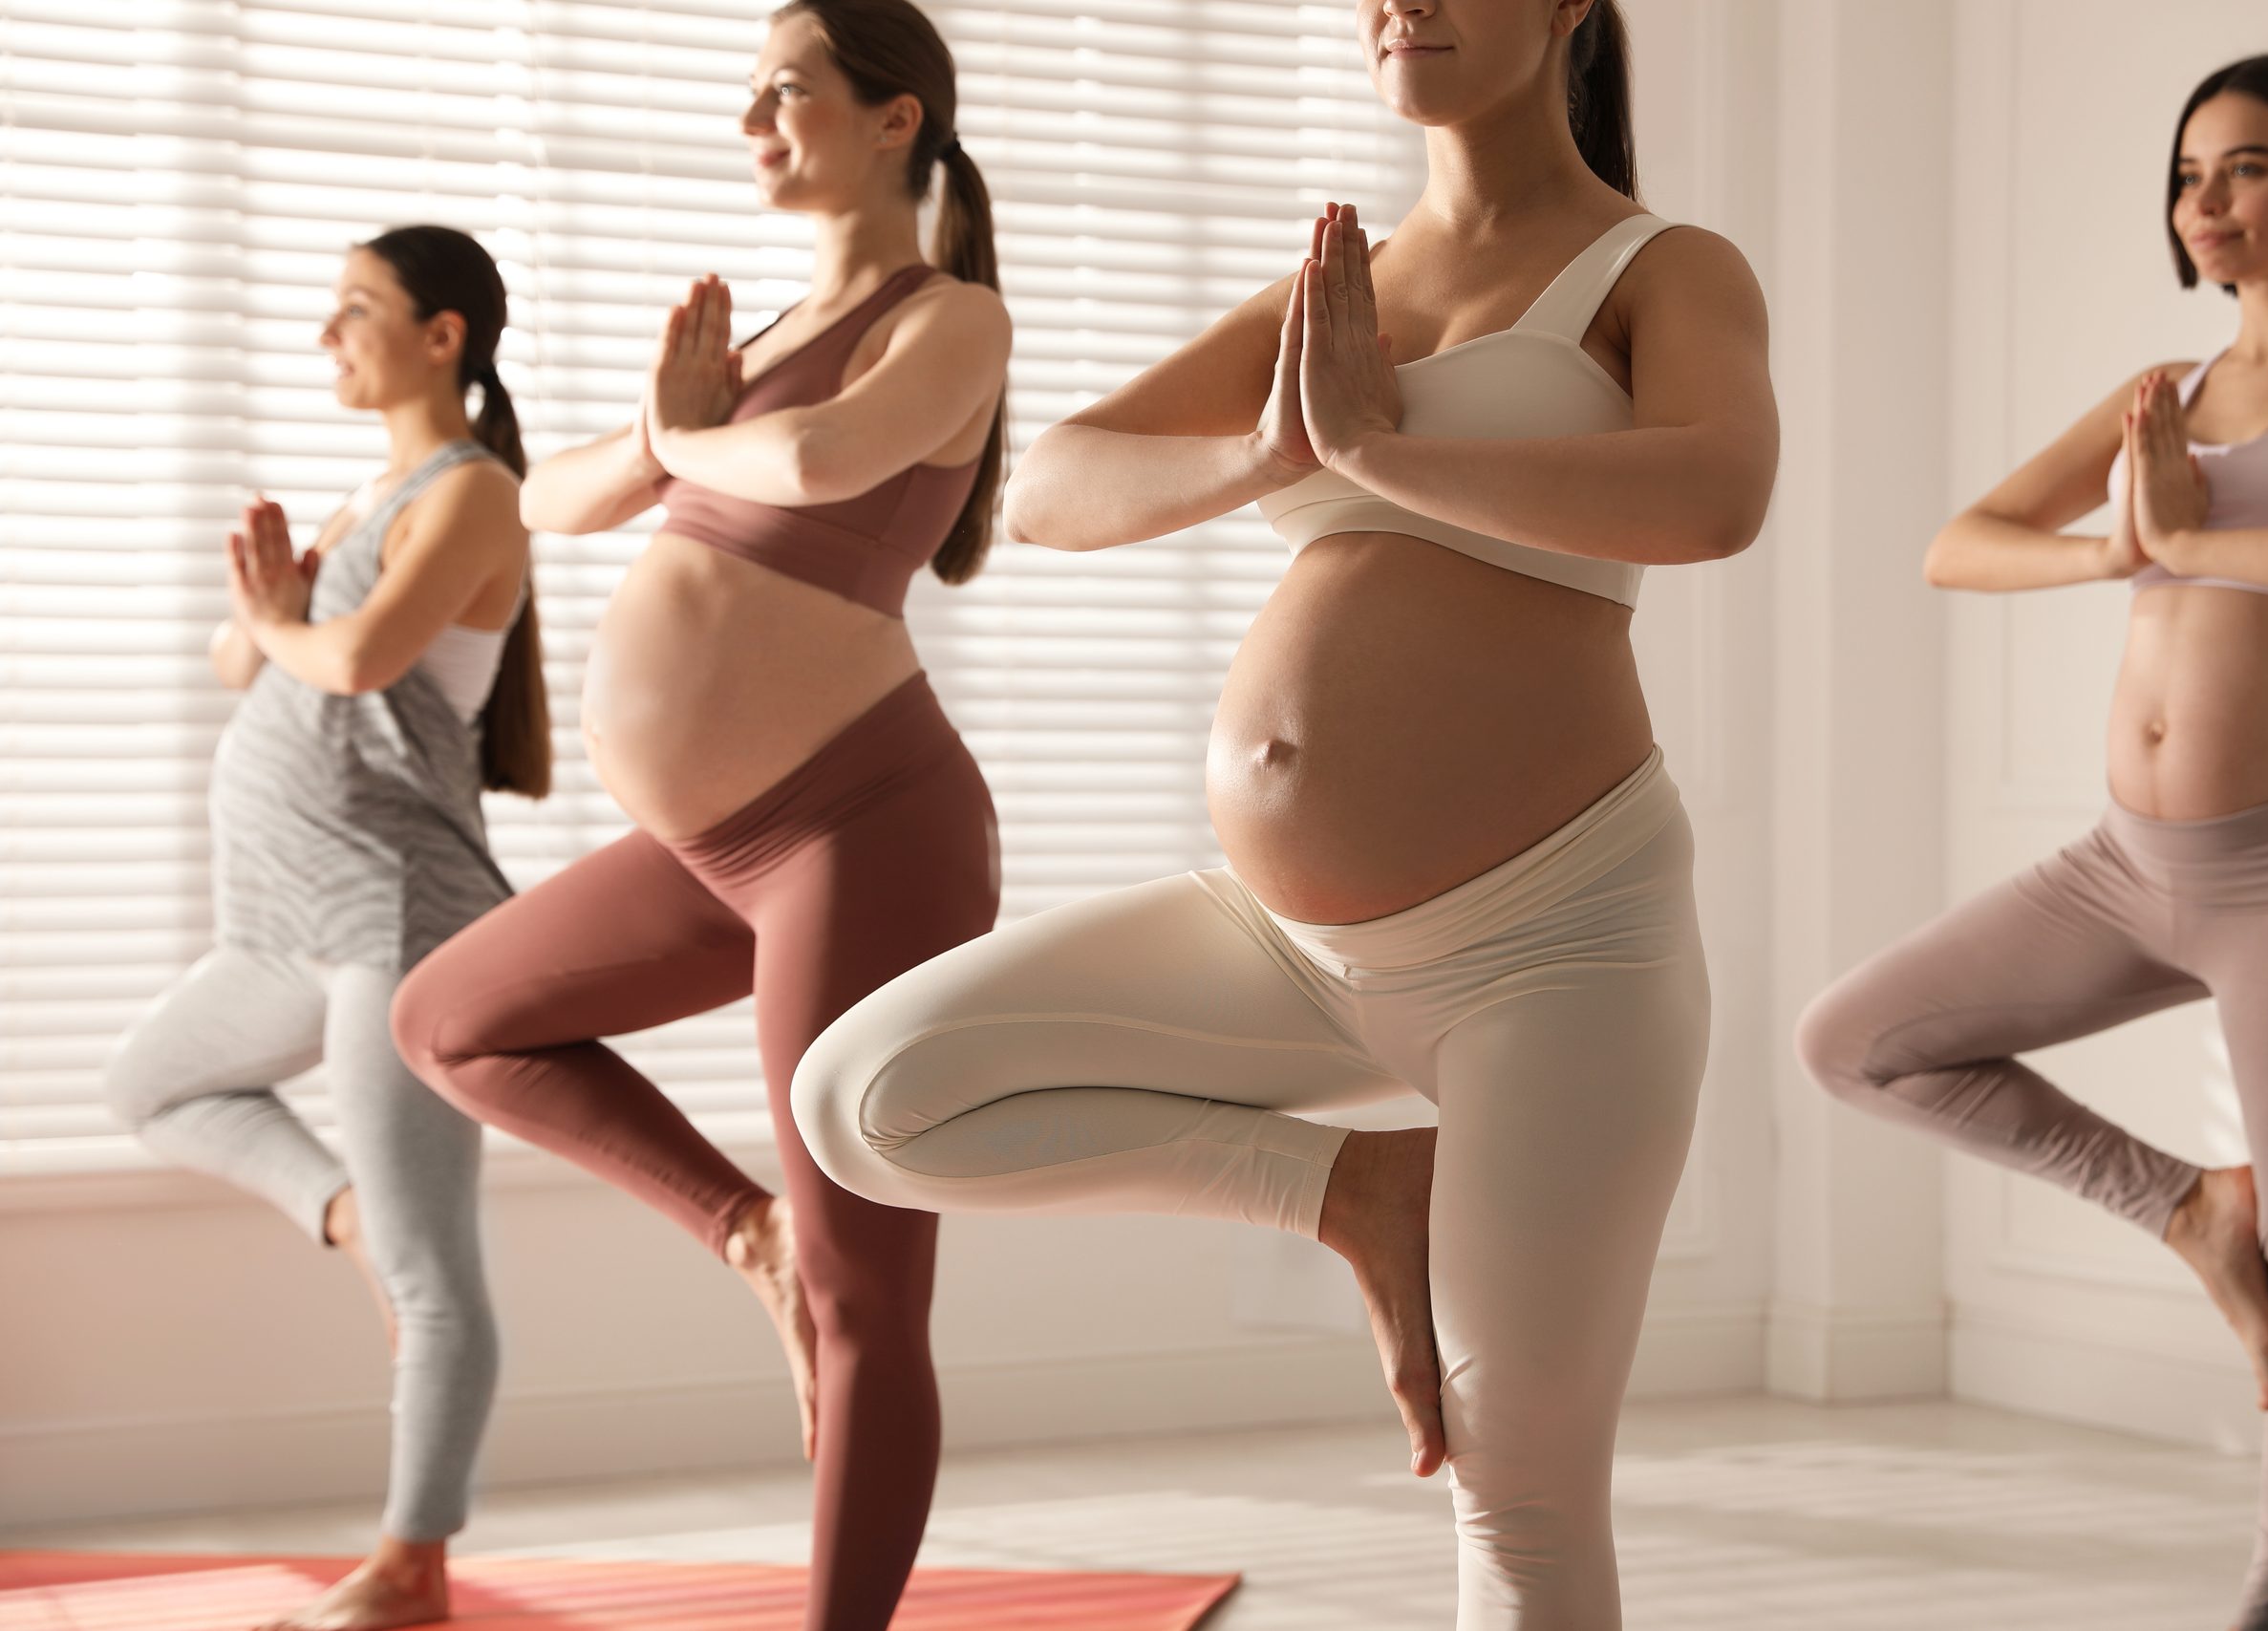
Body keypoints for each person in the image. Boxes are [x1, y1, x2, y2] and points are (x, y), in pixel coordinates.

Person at [791, 4, 1777, 1626]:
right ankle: (1351, 1191)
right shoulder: (1339, 288)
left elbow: (1714, 496)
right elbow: (1049, 484)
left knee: (1516, 1497)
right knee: (866, 1101)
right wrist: (1269, 451)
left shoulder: (1663, 269)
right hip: (1282, 940)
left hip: (1554, 947)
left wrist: (1379, 453)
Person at [1795, 51, 2268, 1631]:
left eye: (2246, 166)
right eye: (2186, 175)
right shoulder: (2167, 396)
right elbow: (1960, 545)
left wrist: (2198, 534)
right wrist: (2117, 549)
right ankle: (2182, 1208)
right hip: (2123, 865)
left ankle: (2265, 1616)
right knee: (1852, 1041)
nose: (2206, 200)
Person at [388, 4, 1008, 1626]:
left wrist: (677, 431)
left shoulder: (948, 322)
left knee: (870, 1292)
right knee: (450, 1018)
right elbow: (549, 498)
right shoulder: (747, 348)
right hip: (707, 851)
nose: (754, 116)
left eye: (787, 89)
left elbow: (824, 456)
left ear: (895, 120)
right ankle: (746, 1237)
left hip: (861, 826)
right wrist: (679, 421)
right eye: (746, 93)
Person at [104, 224, 543, 1631]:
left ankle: (413, 1570)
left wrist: (294, 625)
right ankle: (345, 1213)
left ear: (443, 337)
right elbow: (247, 652)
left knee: (434, 1271)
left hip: (393, 913)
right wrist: (276, 610)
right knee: (151, 1083)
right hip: (284, 917)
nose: (326, 334)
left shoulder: (475, 494)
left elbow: (353, 658)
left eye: (356, 309)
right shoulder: (372, 495)